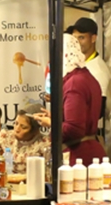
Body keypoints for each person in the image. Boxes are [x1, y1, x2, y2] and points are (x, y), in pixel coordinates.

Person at [34, 35, 105, 166]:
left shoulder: (74, 83)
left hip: (79, 158)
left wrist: (50, 123)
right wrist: (56, 117)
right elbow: (81, 117)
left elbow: (74, 129)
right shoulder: (86, 77)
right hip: (88, 153)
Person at [0, 105, 51, 183]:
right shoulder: (7, 136)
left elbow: (47, 174)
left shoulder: (45, 144)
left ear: (35, 131)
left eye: (23, 127)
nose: (17, 129)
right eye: (16, 123)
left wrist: (20, 178)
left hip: (31, 186)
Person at [67, 17, 110, 101]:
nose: (76, 42)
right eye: (74, 38)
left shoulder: (98, 71)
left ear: (93, 38)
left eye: (81, 38)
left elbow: (98, 110)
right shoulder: (77, 64)